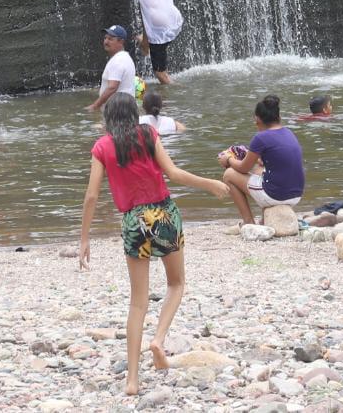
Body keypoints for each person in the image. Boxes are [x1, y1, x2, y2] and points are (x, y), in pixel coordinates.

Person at [78, 93, 227, 396]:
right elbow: (173, 173)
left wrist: (84, 238)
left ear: (108, 119)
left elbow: (92, 196)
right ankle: (158, 340)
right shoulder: (148, 134)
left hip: (134, 221)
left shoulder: (102, 147)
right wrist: (210, 184)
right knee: (176, 283)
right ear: (134, 115)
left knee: (137, 302)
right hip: (164, 214)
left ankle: (132, 380)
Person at [219, 95, 306, 225]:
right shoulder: (289, 133)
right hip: (296, 194)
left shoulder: (261, 137)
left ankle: (248, 222)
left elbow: (243, 168)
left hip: (276, 195)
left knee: (229, 175)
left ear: (257, 120)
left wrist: (229, 159)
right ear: (279, 117)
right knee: (258, 169)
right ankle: (266, 219)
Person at [111, 0, 183, 85]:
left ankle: (178, 91)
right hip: (175, 24)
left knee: (160, 74)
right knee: (147, 24)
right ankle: (145, 44)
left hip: (159, 32)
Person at [88, 25, 138, 112]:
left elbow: (112, 87)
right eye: (105, 38)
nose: (106, 42)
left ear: (121, 41)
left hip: (117, 111)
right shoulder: (124, 57)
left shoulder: (118, 61)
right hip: (125, 109)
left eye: (110, 39)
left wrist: (94, 106)